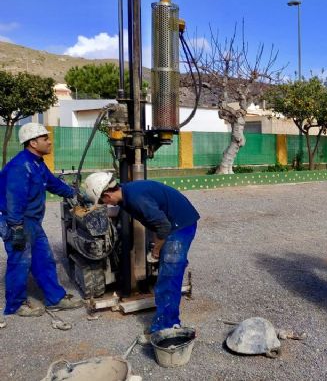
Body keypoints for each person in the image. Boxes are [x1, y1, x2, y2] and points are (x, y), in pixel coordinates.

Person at [84, 172, 200, 334]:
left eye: (103, 200)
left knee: (168, 277)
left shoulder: (136, 199)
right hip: (171, 220)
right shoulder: (125, 194)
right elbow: (155, 222)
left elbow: (163, 227)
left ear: (107, 193)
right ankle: (174, 267)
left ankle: (167, 326)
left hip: (180, 225)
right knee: (167, 269)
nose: (105, 204)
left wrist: (156, 250)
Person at [0, 122, 84, 318]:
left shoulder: (37, 164)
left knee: (44, 260)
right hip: (18, 222)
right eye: (45, 138)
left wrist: (73, 194)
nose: (50, 141)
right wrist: (16, 227)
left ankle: (55, 298)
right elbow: (14, 200)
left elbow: (52, 183)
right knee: (19, 263)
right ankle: (16, 304)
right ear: (33, 142)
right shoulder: (20, 167)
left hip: (32, 223)